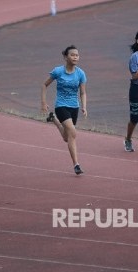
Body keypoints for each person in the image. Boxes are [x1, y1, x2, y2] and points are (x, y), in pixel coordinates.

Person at [41, 45, 88, 175]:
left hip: (75, 107)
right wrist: (43, 102)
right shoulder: (58, 71)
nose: (75, 57)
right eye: (72, 55)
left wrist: (84, 106)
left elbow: (83, 93)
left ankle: (54, 120)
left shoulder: (81, 73)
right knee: (73, 132)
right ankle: (76, 165)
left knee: (68, 138)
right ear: (65, 57)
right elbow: (44, 85)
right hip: (61, 106)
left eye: (77, 55)